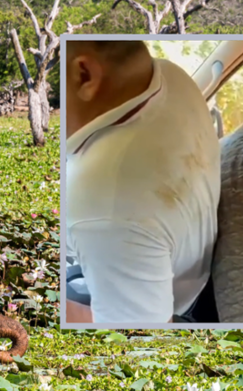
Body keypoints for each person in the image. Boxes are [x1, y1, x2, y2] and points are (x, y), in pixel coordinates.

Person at [65, 40, 221, 323]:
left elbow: (140, 339)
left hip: (172, 306)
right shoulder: (172, 76)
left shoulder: (103, 204)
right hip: (190, 267)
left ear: (83, 74)